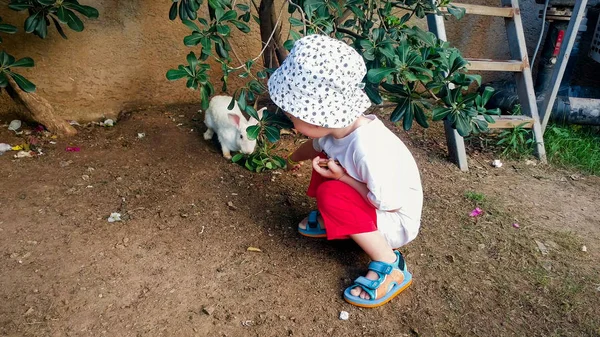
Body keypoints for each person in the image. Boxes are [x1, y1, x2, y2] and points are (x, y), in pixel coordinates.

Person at [267, 34, 423, 308]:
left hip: (395, 220)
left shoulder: (366, 148)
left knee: (332, 193)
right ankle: (338, 219)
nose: (291, 123)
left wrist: (342, 178)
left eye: (294, 116)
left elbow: (387, 201)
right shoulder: (336, 131)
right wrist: (292, 158)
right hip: (374, 201)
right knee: (325, 162)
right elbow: (313, 146)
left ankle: (390, 264)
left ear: (318, 118)